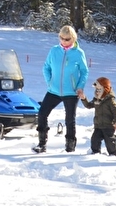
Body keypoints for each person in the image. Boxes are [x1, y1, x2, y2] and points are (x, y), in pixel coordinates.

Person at [34, 25, 89, 154]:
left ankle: (70, 147)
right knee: (42, 113)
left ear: (73, 38)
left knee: (70, 120)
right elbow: (46, 67)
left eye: (67, 39)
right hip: (53, 91)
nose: (64, 41)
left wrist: (80, 87)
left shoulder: (78, 53)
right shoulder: (54, 51)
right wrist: (50, 82)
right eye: (61, 38)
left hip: (71, 92)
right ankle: (42, 143)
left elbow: (84, 72)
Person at [80, 76, 116, 156]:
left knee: (109, 141)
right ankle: (95, 152)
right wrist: (84, 98)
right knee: (95, 139)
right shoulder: (96, 100)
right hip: (98, 125)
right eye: (96, 90)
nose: (97, 92)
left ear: (105, 89)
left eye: (99, 90)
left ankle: (114, 153)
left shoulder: (110, 100)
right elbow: (88, 105)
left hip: (108, 125)